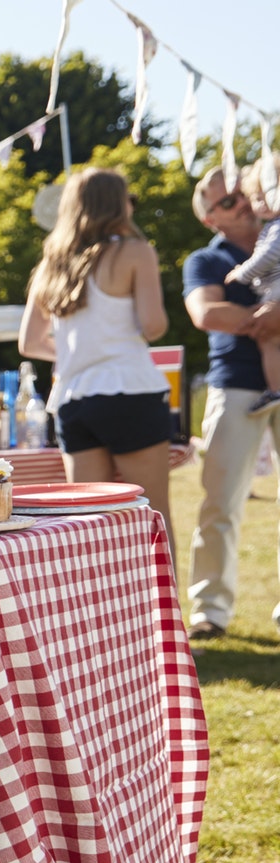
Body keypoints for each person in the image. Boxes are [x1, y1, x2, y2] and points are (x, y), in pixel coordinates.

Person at [18, 167, 175, 546]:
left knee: (90, 525)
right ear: (118, 204)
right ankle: (163, 605)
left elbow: (29, 342)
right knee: (153, 516)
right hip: (129, 389)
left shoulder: (52, 264)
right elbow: (154, 326)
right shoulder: (135, 252)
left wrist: (77, 351)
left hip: (74, 399)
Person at [180, 167, 280, 639]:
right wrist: (269, 319)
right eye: (226, 202)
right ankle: (210, 610)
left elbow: (224, 313)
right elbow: (206, 313)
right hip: (236, 385)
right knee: (221, 503)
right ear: (209, 220)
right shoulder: (204, 259)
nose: (240, 203)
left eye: (241, 193)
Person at [222, 156, 280, 418]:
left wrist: (241, 274)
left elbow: (268, 257)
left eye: (263, 195)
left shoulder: (276, 228)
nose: (257, 204)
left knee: (268, 338)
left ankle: (276, 388)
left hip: (276, 292)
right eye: (255, 198)